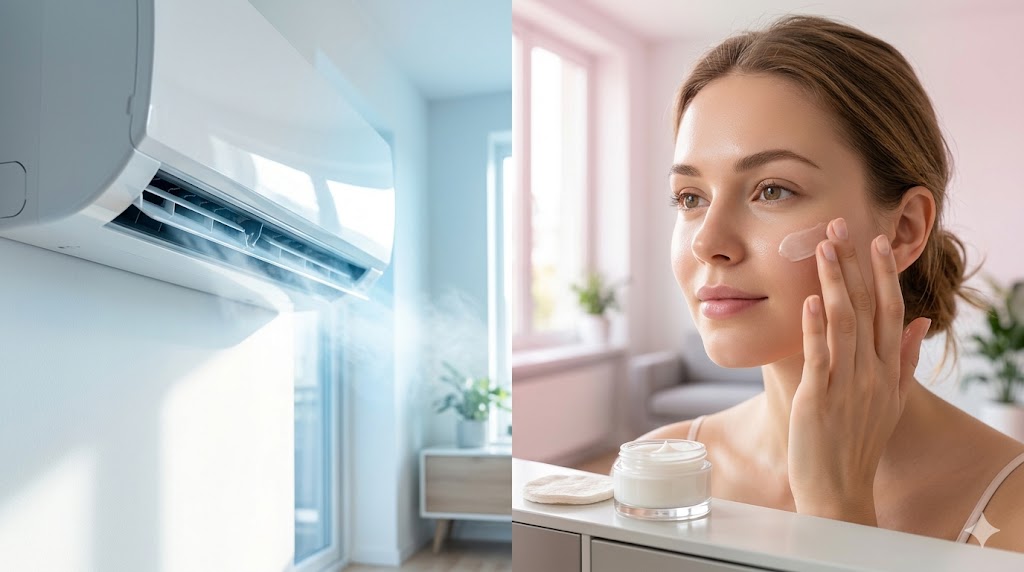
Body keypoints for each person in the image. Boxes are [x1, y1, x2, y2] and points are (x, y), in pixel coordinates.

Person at [642, 14, 1024, 550]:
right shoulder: (657, 468)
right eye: (690, 197)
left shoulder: (1011, 510)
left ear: (904, 229)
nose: (708, 241)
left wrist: (836, 510)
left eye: (772, 190)